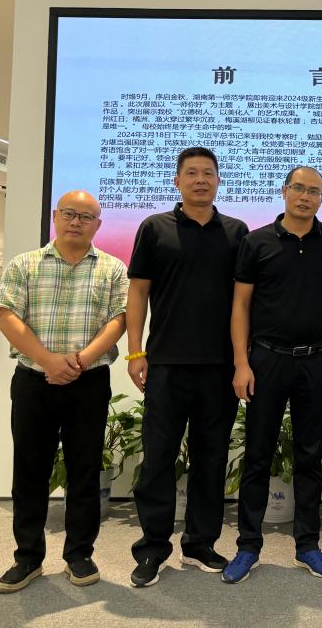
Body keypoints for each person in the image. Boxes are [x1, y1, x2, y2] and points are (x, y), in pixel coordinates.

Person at [0, 191, 128, 593]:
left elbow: (118, 320)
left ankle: (79, 554)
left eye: (86, 216)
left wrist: (79, 361)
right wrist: (48, 360)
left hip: (89, 382)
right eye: (69, 213)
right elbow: (7, 316)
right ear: (55, 216)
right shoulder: (25, 264)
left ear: (98, 225)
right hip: (34, 381)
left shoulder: (113, 268)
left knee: (84, 470)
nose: (76, 222)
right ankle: (27, 557)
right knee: (29, 471)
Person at [221, 166, 322, 584]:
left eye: (314, 191)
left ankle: (307, 545)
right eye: (298, 188)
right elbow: (241, 305)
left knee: (309, 456)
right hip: (267, 360)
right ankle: (248, 546)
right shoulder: (256, 241)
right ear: (284, 191)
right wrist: (241, 362)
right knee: (258, 455)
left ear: (321, 198)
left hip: (316, 359)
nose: (305, 196)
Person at [127, 147, 249, 587]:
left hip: (219, 367)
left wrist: (242, 361)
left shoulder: (236, 232)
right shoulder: (154, 227)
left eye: (208, 173)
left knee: (210, 458)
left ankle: (200, 543)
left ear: (218, 181)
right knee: (159, 458)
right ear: (177, 181)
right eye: (192, 173)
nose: (201, 180)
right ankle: (152, 548)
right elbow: (138, 291)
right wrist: (135, 352)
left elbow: (244, 301)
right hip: (167, 364)